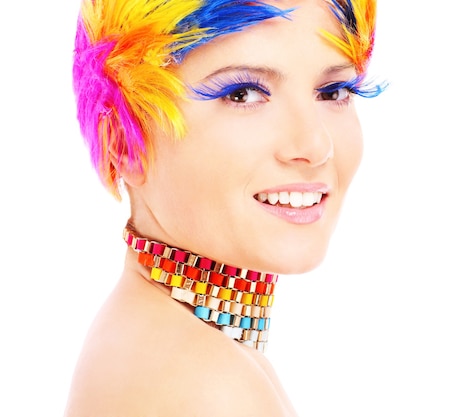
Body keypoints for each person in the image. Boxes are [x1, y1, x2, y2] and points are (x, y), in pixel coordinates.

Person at [64, 0, 384, 415]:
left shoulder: (163, 342)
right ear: (124, 142)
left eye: (333, 91)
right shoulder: (203, 383)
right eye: (244, 93)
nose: (315, 145)